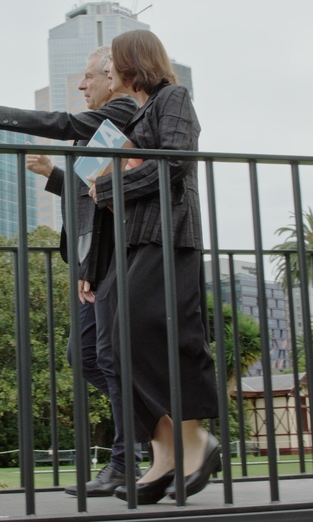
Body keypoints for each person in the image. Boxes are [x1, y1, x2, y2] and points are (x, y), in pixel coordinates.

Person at [0, 46, 141, 497]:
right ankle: (154, 436)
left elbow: (67, 126)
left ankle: (132, 455)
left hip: (116, 259)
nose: (81, 86)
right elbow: (87, 192)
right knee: (89, 356)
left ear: (111, 77)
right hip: (96, 261)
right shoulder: (105, 124)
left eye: (88, 77)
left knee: (106, 358)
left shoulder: (121, 110)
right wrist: (52, 173)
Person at [89, 30, 221, 504]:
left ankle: (195, 441)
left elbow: (175, 162)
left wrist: (108, 189)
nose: (107, 73)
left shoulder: (173, 97)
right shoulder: (142, 111)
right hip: (137, 237)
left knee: (169, 336)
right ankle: (164, 452)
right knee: (123, 344)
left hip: (171, 233)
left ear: (131, 63)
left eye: (112, 65)